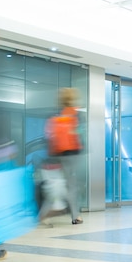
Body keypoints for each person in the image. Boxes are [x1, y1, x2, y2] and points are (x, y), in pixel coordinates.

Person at [46, 87, 84, 225]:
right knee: (72, 186)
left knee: (55, 184)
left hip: (57, 154)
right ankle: (75, 216)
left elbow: (50, 136)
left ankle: (46, 213)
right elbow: (79, 134)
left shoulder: (56, 114)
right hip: (72, 154)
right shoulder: (75, 114)